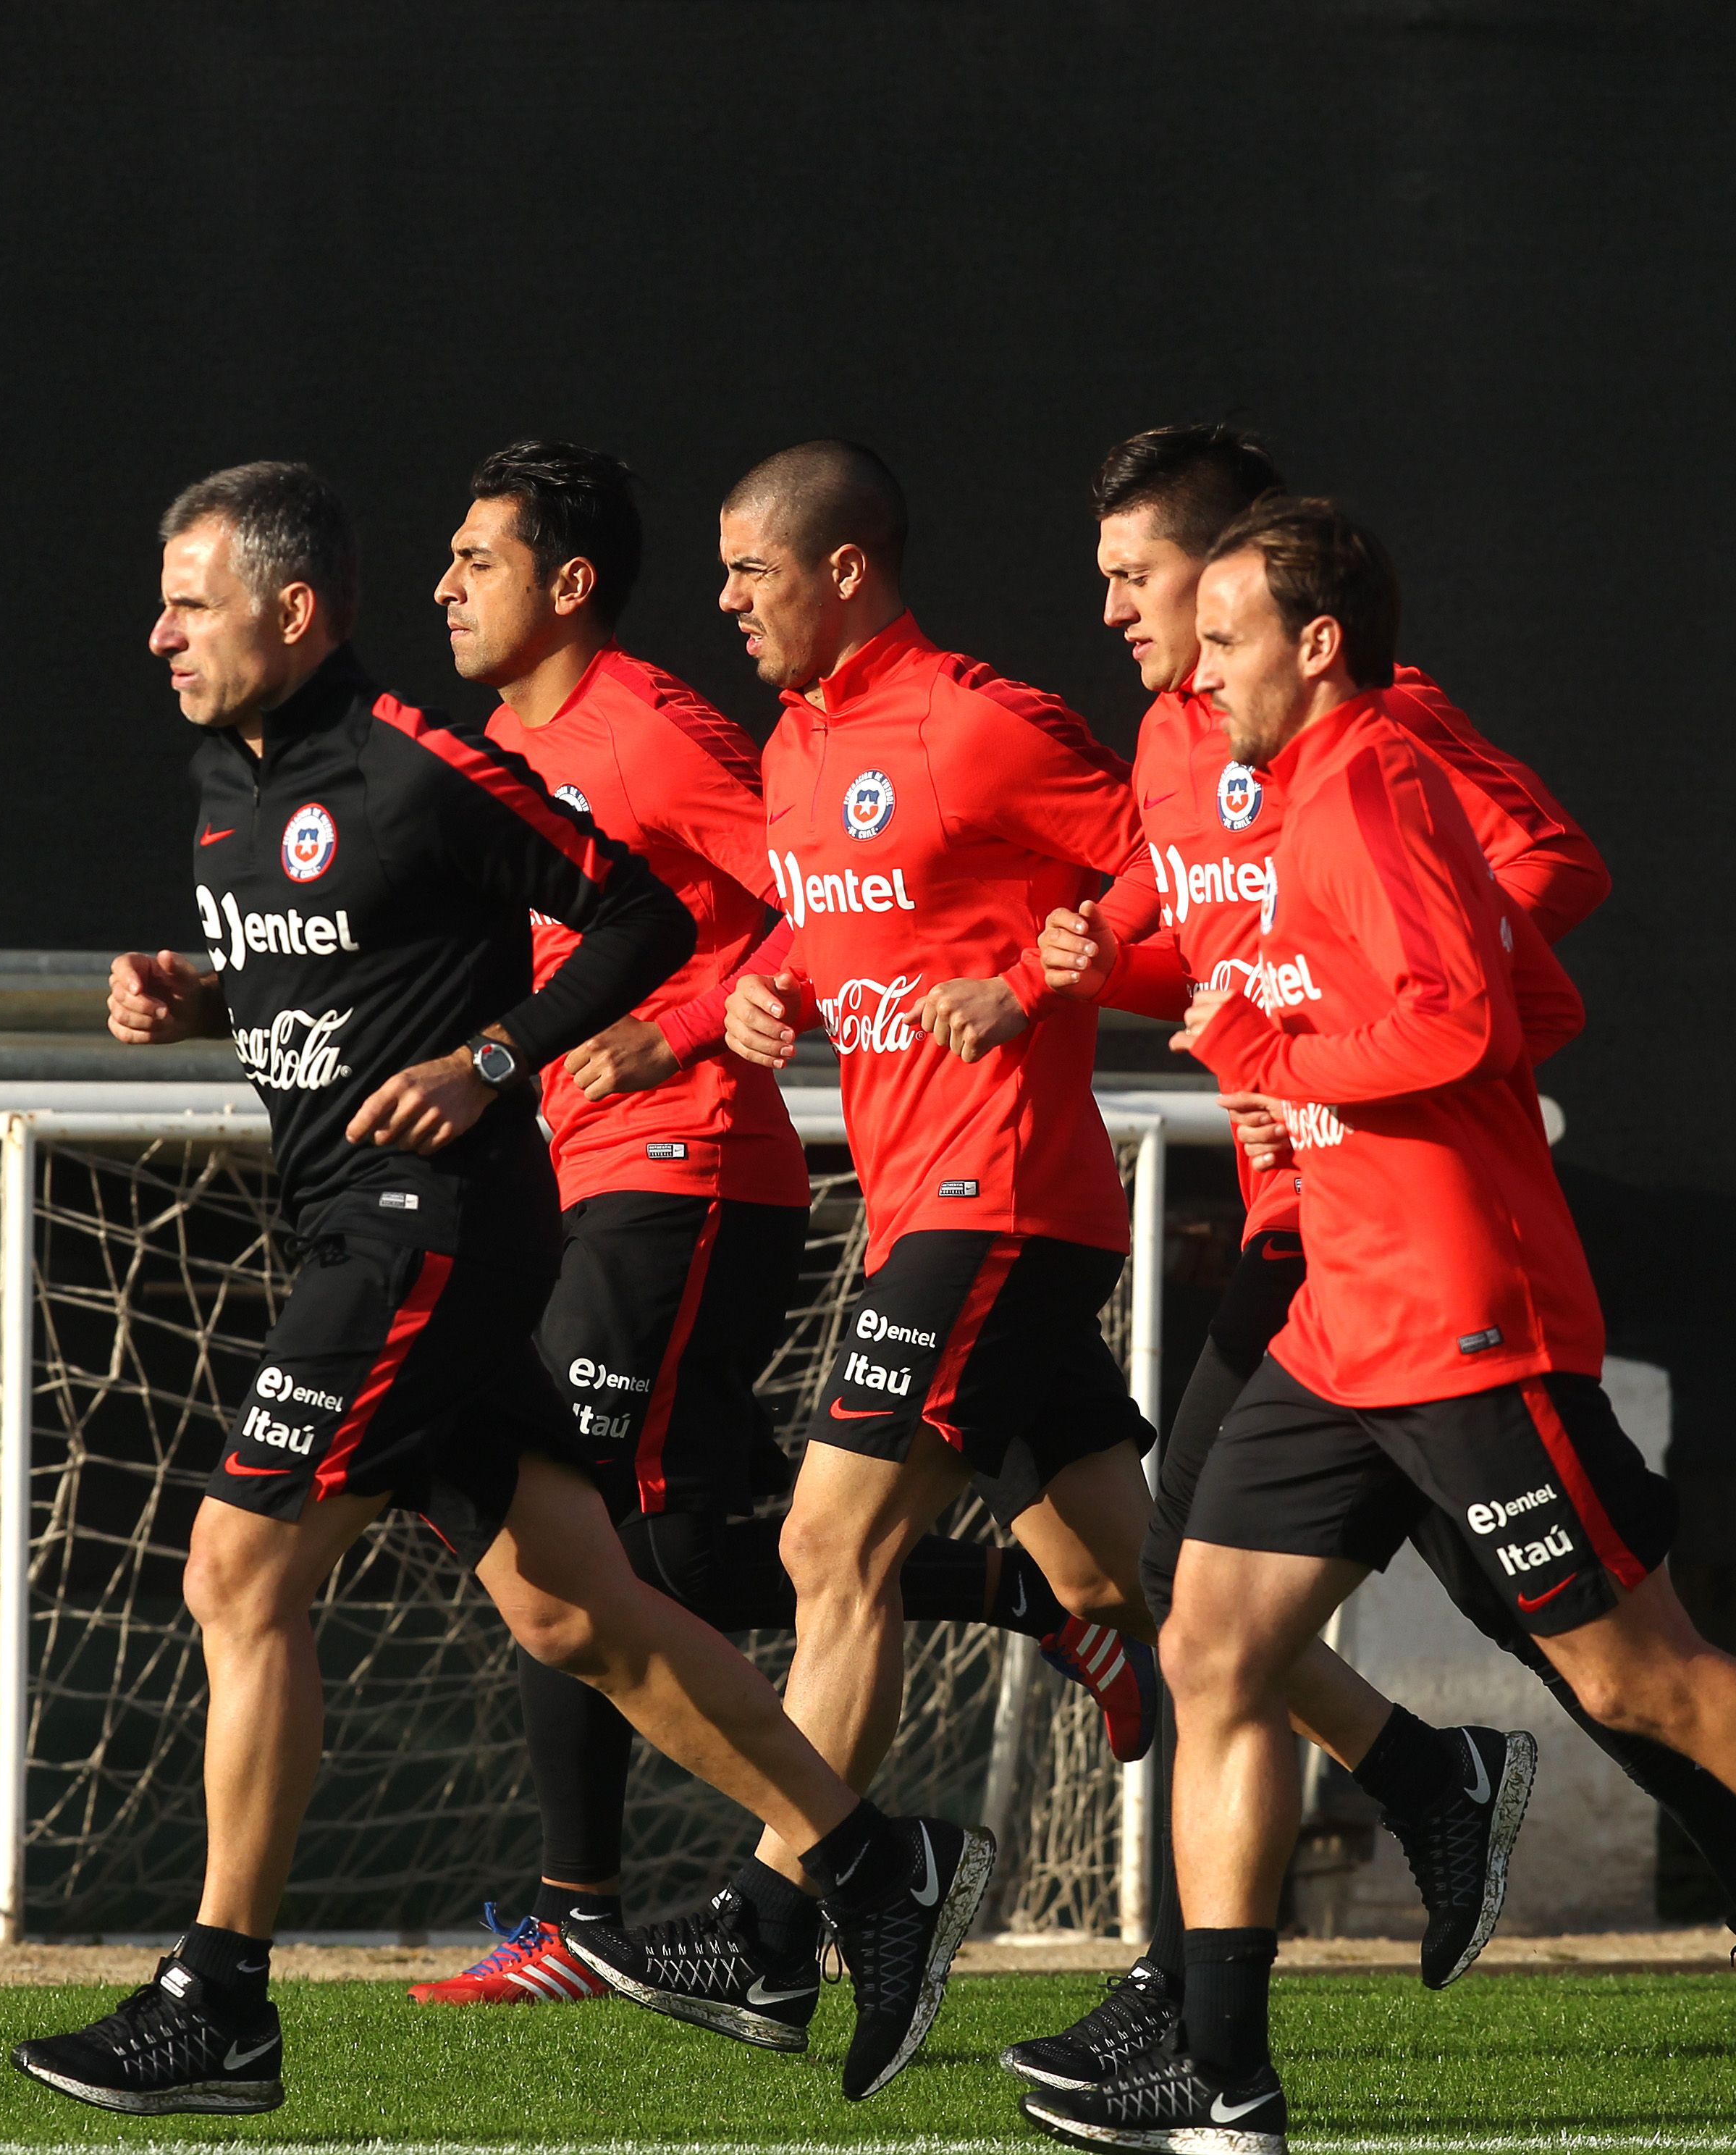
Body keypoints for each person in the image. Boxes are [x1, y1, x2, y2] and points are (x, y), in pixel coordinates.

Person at [1027, 496, 1736, 2155]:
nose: (1200, 676)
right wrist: (1265, 1028)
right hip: (1337, 1319)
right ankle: (1218, 2070)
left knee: (1647, 1681)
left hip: (1456, 1316)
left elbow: (1465, 1020)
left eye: (1224, 641)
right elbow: (1517, 999)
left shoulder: (1368, 777)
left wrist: (1284, 1063)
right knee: (1211, 1644)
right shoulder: (1295, 796)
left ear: (1319, 642)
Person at [12, 461, 989, 2116]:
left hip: (431, 1227)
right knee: (574, 1607)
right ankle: (869, 1865)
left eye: (190, 601)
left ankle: (220, 2002)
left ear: (292, 608)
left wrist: (492, 1059)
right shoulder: (219, 782)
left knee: (238, 1572)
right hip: (356, 1221)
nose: (160, 633)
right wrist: (201, 995)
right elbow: (335, 961)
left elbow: (640, 914)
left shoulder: (419, 758)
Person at [390, 444, 1155, 2014]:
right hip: (876, 1190)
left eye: (755, 569)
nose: (729, 597)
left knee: (722, 1549)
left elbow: (1167, 866)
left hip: (785, 1180)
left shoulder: (750, 735)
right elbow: (812, 907)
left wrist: (1042, 985)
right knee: (1171, 1595)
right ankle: (1403, 1770)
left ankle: (749, 1916)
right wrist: (768, 988)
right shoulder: (794, 739)